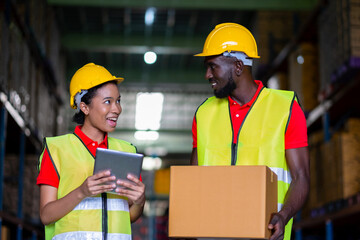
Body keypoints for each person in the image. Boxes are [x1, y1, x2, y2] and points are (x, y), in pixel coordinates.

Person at [190, 23, 310, 240]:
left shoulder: (285, 107)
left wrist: (283, 216)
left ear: (237, 66)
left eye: (213, 66)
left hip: (264, 234)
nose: (208, 75)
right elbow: (193, 182)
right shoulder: (203, 113)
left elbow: (301, 176)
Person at [37, 63, 145, 240]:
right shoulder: (57, 149)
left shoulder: (127, 151)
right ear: (84, 107)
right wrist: (81, 192)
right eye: (107, 102)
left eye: (118, 101)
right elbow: (46, 215)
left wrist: (140, 202)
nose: (117, 109)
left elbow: (129, 216)